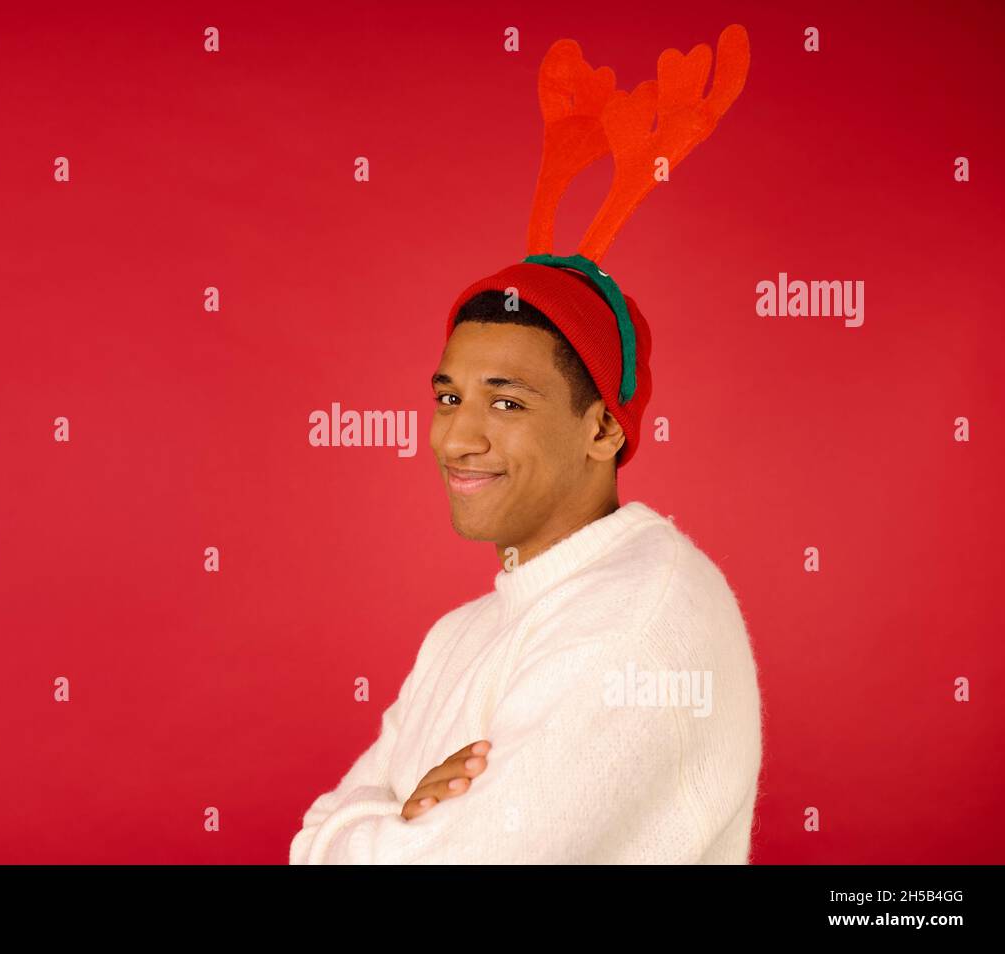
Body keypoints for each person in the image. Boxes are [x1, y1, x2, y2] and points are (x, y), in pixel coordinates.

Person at [290, 24, 762, 864]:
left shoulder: (642, 615)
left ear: (604, 427)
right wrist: (385, 828)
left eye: (506, 401)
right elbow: (309, 839)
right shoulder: (461, 633)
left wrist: (377, 826)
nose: (458, 436)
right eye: (448, 396)